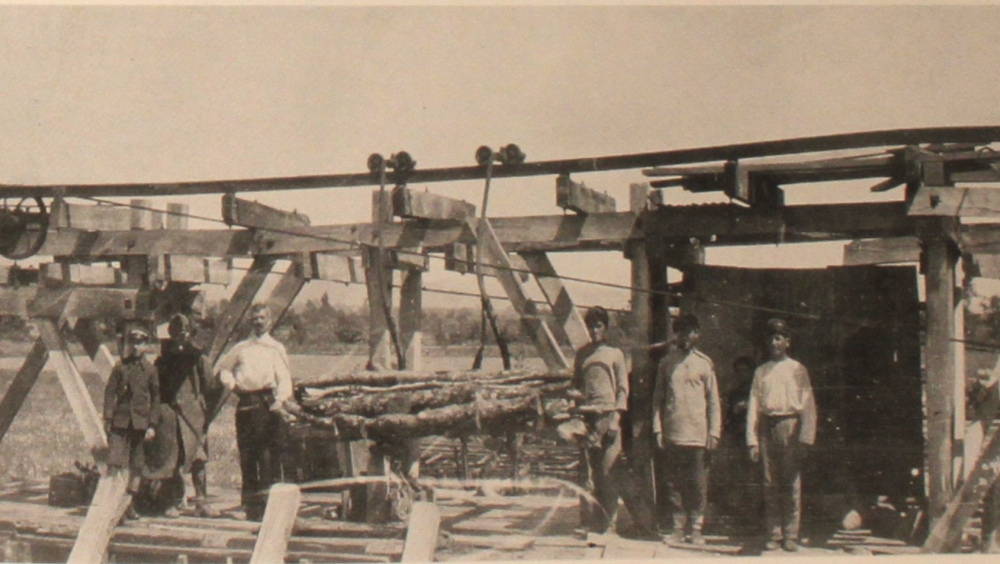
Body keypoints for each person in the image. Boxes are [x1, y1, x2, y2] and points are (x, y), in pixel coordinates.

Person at [216, 303, 293, 521]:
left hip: (268, 402)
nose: (257, 322)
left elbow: (284, 378)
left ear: (269, 321)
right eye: (254, 318)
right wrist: (233, 386)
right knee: (247, 454)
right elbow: (223, 369)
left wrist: (280, 401)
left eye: (261, 318)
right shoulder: (241, 348)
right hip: (246, 401)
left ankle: (268, 506)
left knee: (267, 454)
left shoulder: (276, 348)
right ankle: (250, 506)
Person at [746, 318, 817, 552]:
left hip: (791, 426)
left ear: (788, 341)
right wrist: (752, 440)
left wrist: (806, 437)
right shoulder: (761, 371)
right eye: (770, 338)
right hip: (768, 426)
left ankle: (791, 534)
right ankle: (774, 533)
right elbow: (754, 406)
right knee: (770, 483)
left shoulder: (798, 369)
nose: (774, 342)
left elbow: (808, 405)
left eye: (779, 338)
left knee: (791, 482)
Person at [652, 313, 721, 545]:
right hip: (674, 433)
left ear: (697, 334)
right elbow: (658, 400)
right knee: (674, 484)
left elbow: (713, 402)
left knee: (697, 484)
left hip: (698, 436)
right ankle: (677, 528)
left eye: (690, 331)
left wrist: (714, 433)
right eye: (681, 331)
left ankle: (696, 528)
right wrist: (658, 430)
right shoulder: (667, 363)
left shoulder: (704, 364)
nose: (685, 336)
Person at [564, 306, 629, 534]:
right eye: (590, 326)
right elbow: (575, 384)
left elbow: (622, 389)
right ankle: (587, 521)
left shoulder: (615, 354)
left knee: (608, 472)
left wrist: (616, 419)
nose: (594, 331)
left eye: (598, 326)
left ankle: (609, 523)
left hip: (608, 418)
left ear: (606, 328)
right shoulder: (582, 354)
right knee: (586, 473)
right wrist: (573, 404)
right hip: (586, 419)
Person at [149, 313, 219, 518]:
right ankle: (172, 502)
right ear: (171, 333)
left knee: (198, 459)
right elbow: (156, 387)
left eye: (184, 331)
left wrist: (201, 409)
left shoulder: (198, 357)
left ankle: (201, 502)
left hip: (193, 416)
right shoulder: (163, 359)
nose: (180, 334)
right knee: (173, 458)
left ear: (190, 333)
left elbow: (210, 386)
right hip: (172, 416)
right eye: (176, 331)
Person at [103, 323, 159, 521]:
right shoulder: (120, 367)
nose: (136, 347)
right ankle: (110, 504)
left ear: (146, 345)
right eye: (133, 342)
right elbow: (110, 393)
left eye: (140, 343)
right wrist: (108, 418)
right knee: (114, 462)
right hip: (120, 422)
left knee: (137, 466)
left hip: (140, 424)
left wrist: (151, 425)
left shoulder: (150, 370)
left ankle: (129, 505)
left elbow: (155, 399)